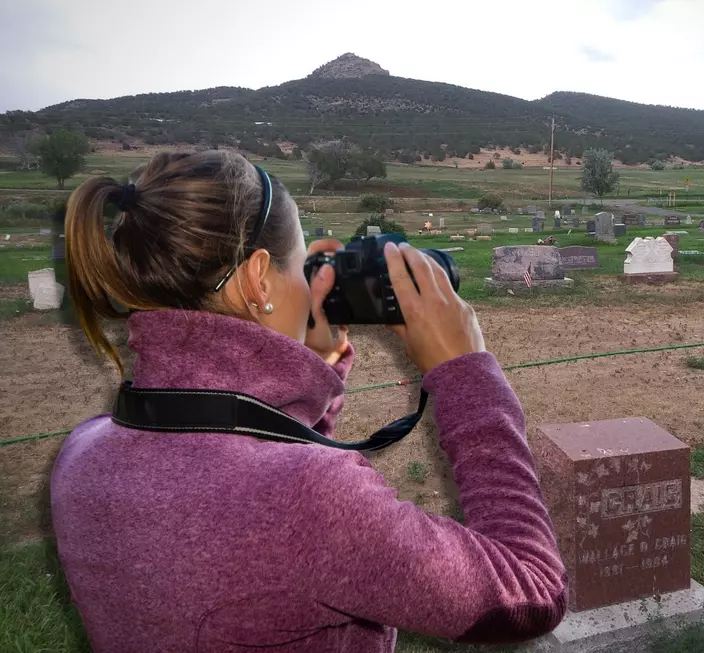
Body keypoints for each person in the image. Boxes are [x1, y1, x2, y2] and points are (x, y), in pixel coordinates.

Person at [49, 150, 568, 653]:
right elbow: (531, 589)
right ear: (258, 279)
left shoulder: (85, 452)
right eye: (301, 264)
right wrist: (464, 375)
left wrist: (310, 367)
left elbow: (261, 469)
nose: (314, 281)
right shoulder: (306, 496)